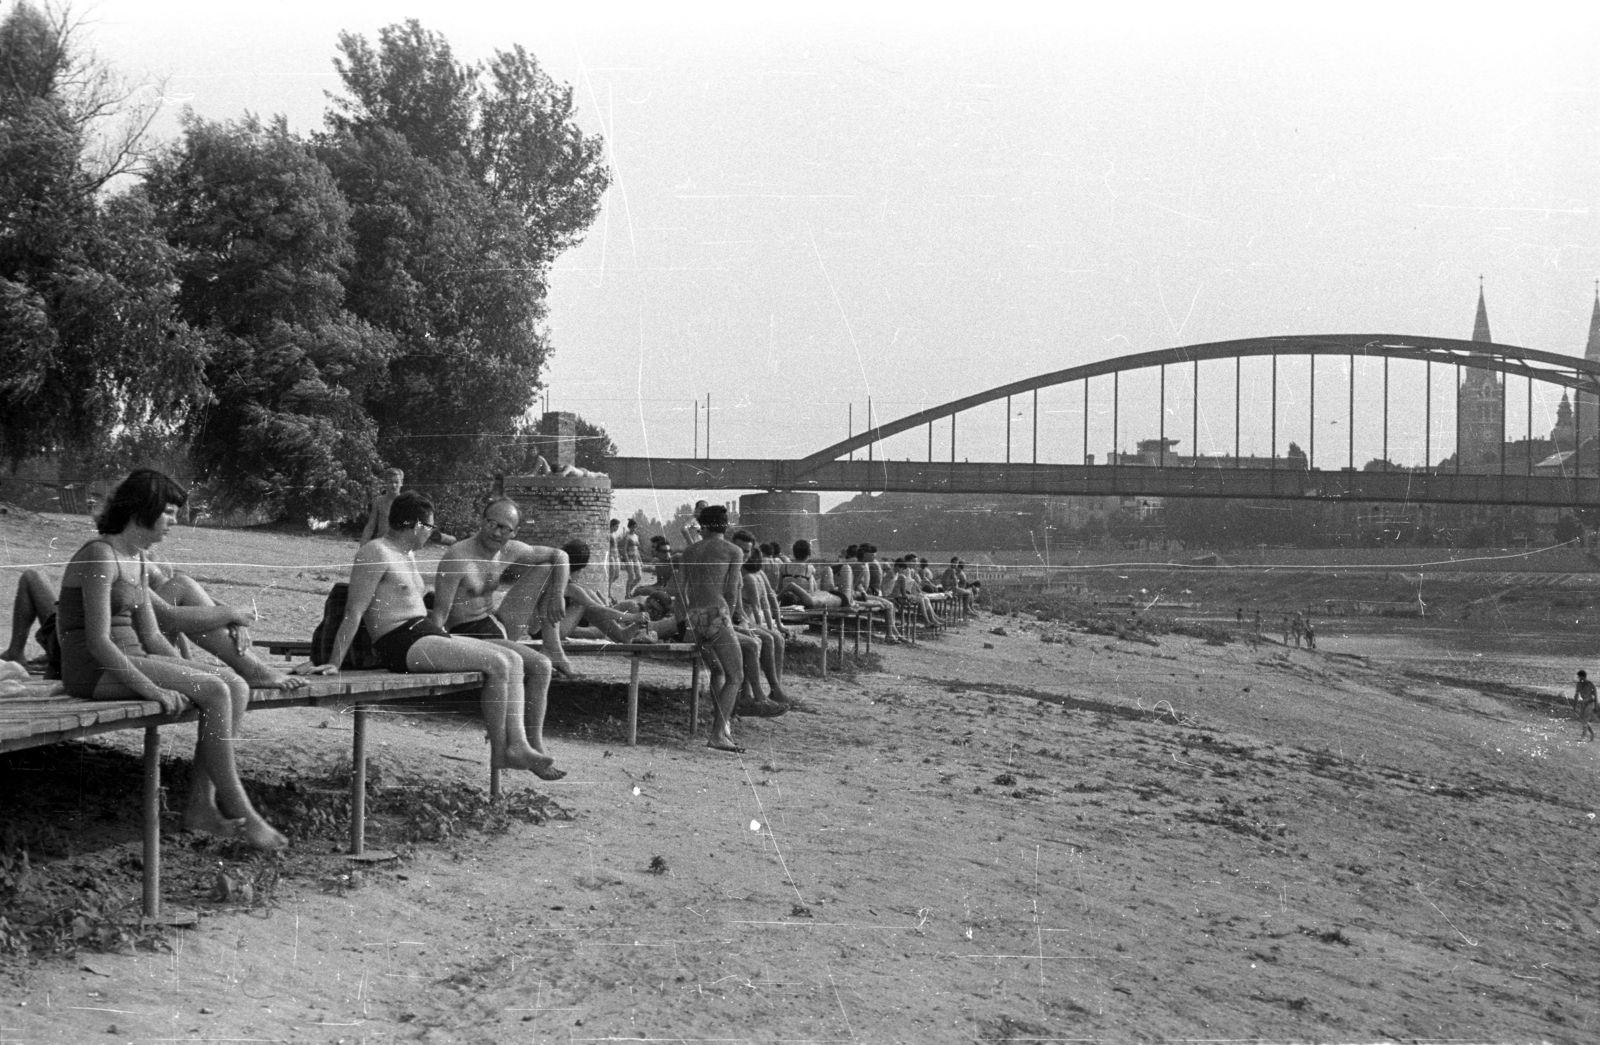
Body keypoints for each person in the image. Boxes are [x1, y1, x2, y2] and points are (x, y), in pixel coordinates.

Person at [56, 469, 286, 849]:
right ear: (140, 510)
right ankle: (240, 808)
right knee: (213, 690)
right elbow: (98, 642)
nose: (174, 522)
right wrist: (155, 690)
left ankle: (201, 806)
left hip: (131, 659)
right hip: (92, 671)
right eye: (168, 512)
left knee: (233, 684)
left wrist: (191, 669)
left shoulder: (140, 560)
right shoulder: (100, 554)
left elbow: (150, 637)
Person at [300, 491, 561, 780]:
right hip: (399, 641)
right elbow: (353, 612)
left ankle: (520, 745)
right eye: (430, 528)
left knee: (512, 658)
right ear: (416, 526)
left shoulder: (406, 554)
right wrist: (334, 662)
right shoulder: (375, 552)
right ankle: (502, 751)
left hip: (422, 632)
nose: (432, 535)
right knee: (498, 663)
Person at [430, 499, 573, 768]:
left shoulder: (508, 550)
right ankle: (520, 748)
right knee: (540, 665)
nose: (496, 533)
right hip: (466, 634)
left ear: (514, 532)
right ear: (482, 521)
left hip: (494, 623)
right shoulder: (458, 556)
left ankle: (535, 747)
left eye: (504, 529)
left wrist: (557, 596)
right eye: (492, 524)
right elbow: (440, 615)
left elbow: (561, 556)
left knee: (546, 568)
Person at [681, 504, 759, 752]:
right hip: (717, 613)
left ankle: (723, 729)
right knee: (736, 675)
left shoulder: (690, 550)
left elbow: (680, 589)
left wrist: (685, 621)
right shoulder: (733, 551)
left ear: (704, 525)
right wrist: (733, 616)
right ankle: (718, 734)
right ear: (725, 526)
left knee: (719, 672)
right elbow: (731, 591)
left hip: (694, 615)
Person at [358, 468, 404, 544]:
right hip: (383, 545)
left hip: (400, 545)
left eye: (396, 482)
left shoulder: (406, 502)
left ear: (401, 483)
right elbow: (370, 525)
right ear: (385, 483)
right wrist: (362, 546)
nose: (394, 485)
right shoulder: (379, 501)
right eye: (390, 482)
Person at [621, 518, 645, 598]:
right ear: (630, 527)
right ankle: (627, 595)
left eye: (635, 527)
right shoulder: (627, 537)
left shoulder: (636, 537)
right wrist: (627, 561)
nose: (634, 529)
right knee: (631, 577)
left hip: (636, 558)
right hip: (629, 558)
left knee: (639, 577)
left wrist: (640, 560)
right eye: (633, 527)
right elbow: (624, 550)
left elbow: (637, 550)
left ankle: (629, 590)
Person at [1574, 670, 1597, 742]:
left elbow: (1595, 696)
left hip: (1590, 703)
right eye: (1579, 678)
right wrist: (1574, 705)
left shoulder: (1590, 684)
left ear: (1584, 677)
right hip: (1584, 703)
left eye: (1581, 677)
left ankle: (1583, 737)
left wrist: (1596, 706)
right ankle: (1592, 733)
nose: (1580, 679)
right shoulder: (1578, 684)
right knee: (1583, 720)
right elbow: (1576, 695)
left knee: (1585, 720)